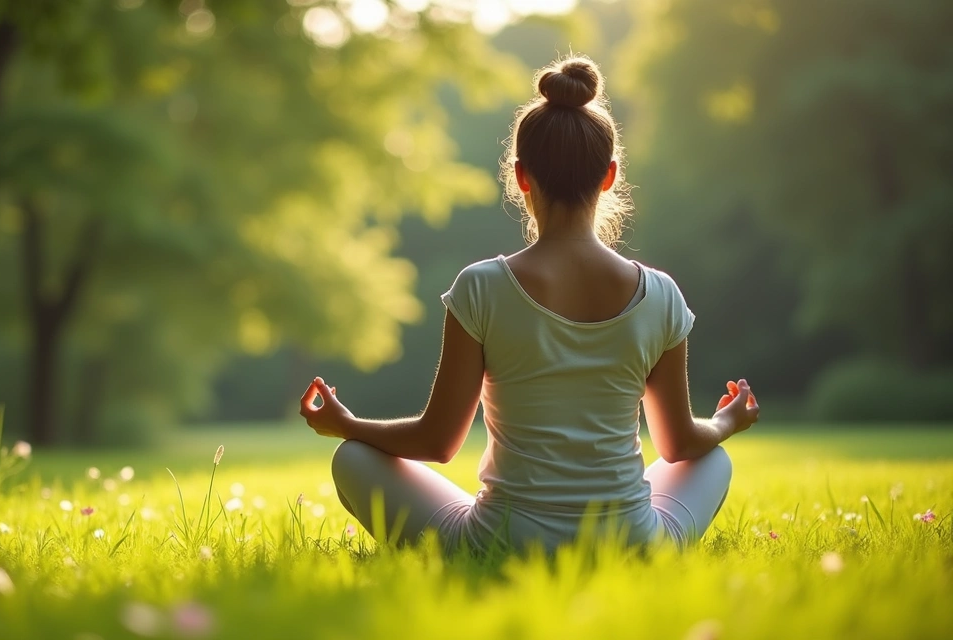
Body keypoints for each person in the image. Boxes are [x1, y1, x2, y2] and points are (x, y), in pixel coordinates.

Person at [297, 55, 760, 555]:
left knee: (353, 458)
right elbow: (679, 446)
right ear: (608, 176)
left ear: (520, 177)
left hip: (499, 544)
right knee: (714, 459)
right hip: (631, 546)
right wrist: (727, 421)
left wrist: (346, 425)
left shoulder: (481, 287)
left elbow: (438, 441)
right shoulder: (661, 294)